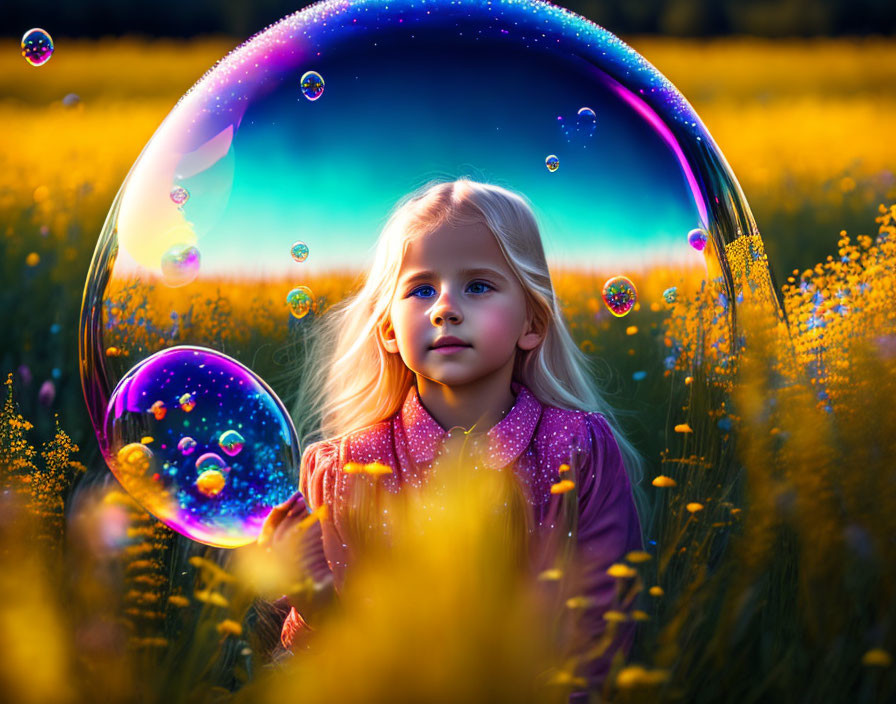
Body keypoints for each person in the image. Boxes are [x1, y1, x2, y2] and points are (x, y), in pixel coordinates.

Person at [259, 177, 646, 697]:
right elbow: (321, 668)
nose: (445, 307)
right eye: (421, 289)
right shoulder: (345, 467)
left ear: (532, 321)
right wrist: (312, 598)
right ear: (390, 331)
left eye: (479, 286)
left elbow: (601, 634)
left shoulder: (578, 451)